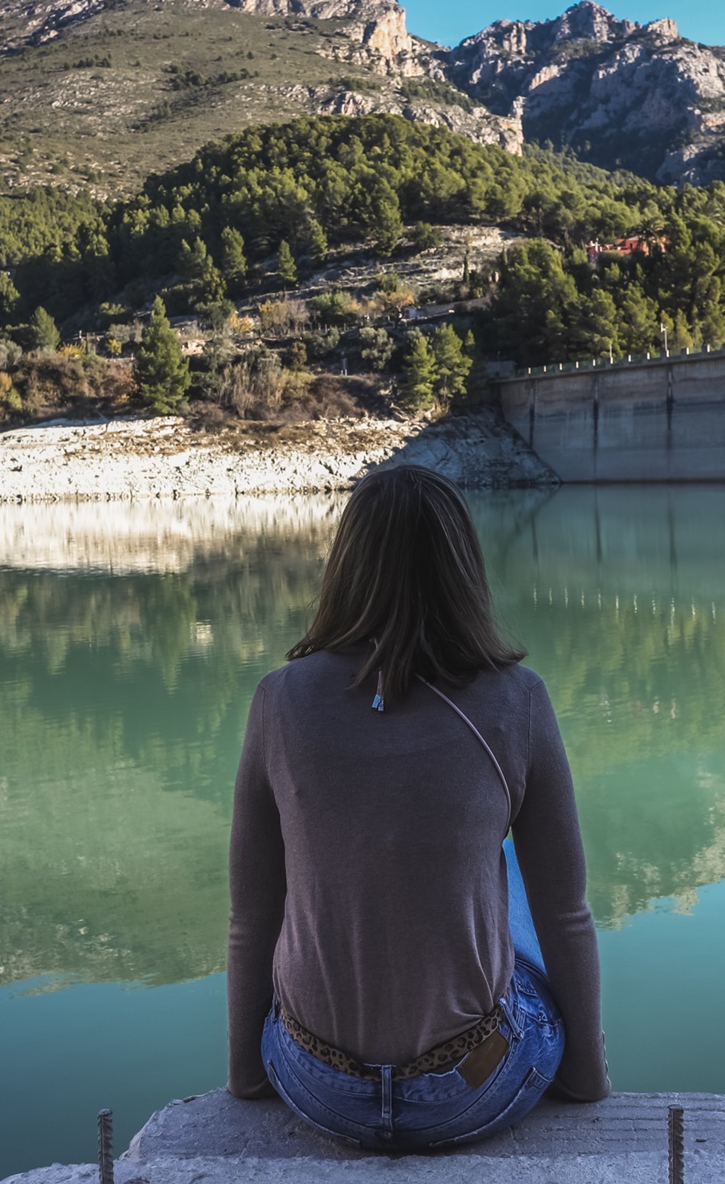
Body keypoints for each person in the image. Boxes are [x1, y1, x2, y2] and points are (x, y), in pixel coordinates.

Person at [226, 464, 608, 1150]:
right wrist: (587, 1077)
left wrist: (248, 1077)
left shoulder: (277, 701)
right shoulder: (518, 700)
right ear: (463, 569)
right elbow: (567, 913)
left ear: (346, 566)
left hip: (318, 1084)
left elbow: (252, 916)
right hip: (468, 1090)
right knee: (518, 881)